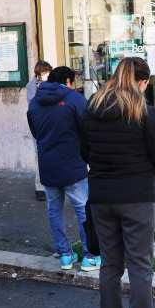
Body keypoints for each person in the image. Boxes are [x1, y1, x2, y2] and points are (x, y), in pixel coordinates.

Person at [83, 57, 155, 308]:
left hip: (101, 195)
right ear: (143, 82)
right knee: (140, 265)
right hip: (136, 197)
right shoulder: (143, 111)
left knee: (110, 264)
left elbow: (85, 151)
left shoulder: (94, 105)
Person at [27, 66, 101, 272]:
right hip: (73, 165)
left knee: (54, 210)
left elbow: (35, 132)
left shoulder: (35, 102)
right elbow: (88, 129)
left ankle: (65, 256)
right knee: (83, 210)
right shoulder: (74, 99)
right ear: (68, 81)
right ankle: (90, 256)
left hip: (48, 166)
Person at [27, 60, 53, 201]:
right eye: (45, 73)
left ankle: (51, 183)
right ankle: (39, 187)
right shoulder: (31, 86)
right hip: (38, 125)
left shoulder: (51, 84)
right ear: (38, 74)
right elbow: (33, 105)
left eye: (49, 72)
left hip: (50, 123)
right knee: (39, 155)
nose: (47, 75)